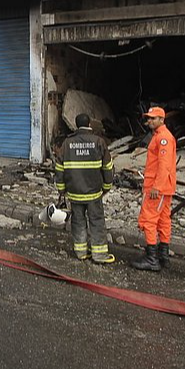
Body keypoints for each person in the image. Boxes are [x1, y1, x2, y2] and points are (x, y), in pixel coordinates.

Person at [55, 113, 115, 264]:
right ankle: (99, 255)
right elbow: (108, 167)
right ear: (89, 124)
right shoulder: (98, 142)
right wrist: (107, 186)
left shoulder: (67, 144)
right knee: (97, 221)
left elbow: (59, 168)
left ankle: (81, 252)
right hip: (94, 193)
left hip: (74, 193)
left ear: (76, 125)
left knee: (78, 222)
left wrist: (62, 190)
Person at [131, 106, 177, 272]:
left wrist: (156, 187)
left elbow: (164, 165)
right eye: (148, 118)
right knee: (164, 220)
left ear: (161, 120)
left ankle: (152, 258)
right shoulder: (160, 136)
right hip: (163, 187)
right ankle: (162, 255)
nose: (148, 121)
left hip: (157, 188)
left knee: (149, 220)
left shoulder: (163, 138)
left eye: (152, 118)